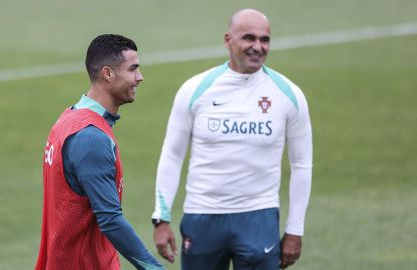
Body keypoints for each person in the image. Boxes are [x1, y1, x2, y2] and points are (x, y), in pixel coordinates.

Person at [151, 9, 313, 270]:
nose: (257, 47)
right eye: (249, 38)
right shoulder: (195, 90)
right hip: (202, 215)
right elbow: (172, 154)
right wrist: (161, 217)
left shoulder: (289, 96)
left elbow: (302, 164)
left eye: (265, 40)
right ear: (228, 40)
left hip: (259, 217)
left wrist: (295, 230)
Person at [35, 34, 163, 270]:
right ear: (108, 73)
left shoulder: (68, 119)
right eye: (133, 69)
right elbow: (111, 220)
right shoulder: (90, 137)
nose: (140, 77)